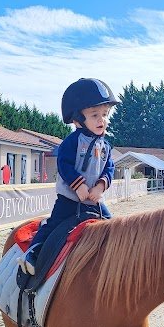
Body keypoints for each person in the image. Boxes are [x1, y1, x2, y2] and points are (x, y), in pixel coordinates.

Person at [19, 78, 118, 275]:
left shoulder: (105, 145)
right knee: (53, 224)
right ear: (77, 120)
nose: (102, 120)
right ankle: (34, 252)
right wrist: (79, 186)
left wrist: (99, 187)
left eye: (105, 115)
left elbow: (109, 168)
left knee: (113, 227)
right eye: (95, 115)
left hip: (93, 201)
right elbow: (64, 165)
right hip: (69, 199)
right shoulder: (71, 142)